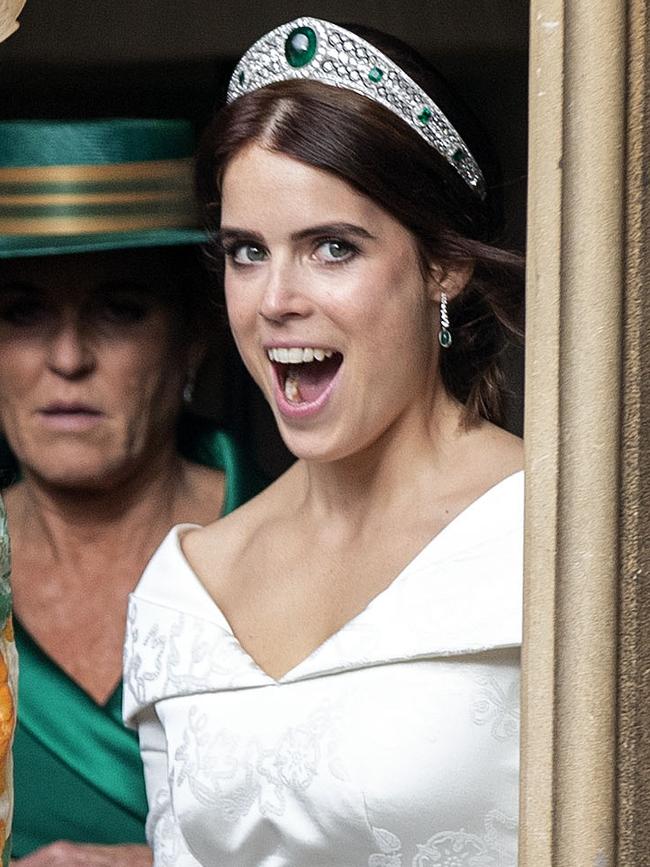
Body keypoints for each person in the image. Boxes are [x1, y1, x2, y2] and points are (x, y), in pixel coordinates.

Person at [124, 17, 524, 867]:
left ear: (443, 265)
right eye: (246, 252)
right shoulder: (185, 591)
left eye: (331, 248)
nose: (275, 300)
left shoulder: (552, 531)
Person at [0, 119, 264, 864]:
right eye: (22, 311)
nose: (68, 357)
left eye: (119, 310)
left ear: (194, 337)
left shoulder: (305, 542)